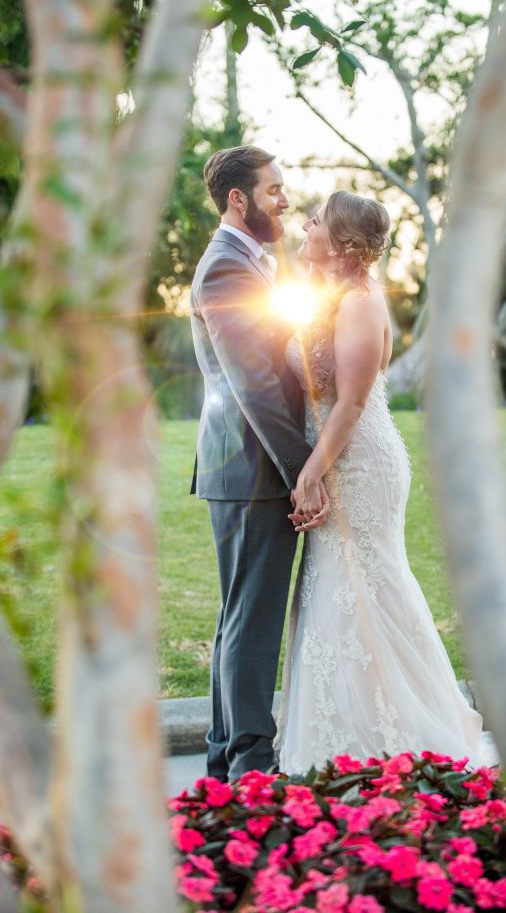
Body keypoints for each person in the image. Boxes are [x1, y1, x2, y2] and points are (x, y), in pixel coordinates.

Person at [276, 190, 484, 773]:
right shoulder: (330, 295)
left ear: (340, 243)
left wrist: (311, 472)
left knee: (366, 588)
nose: (306, 224)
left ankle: (398, 736)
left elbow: (352, 401)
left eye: (316, 220)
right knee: (340, 593)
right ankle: (346, 737)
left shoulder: (362, 303)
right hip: (334, 457)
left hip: (361, 465)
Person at [190, 145, 329, 782]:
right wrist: (304, 470)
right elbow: (255, 388)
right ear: (237, 199)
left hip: (243, 468)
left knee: (239, 616)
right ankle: (251, 766)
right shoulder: (227, 269)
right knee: (252, 618)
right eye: (273, 189)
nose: (284, 199)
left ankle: (225, 760)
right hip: (252, 469)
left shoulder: (252, 263)